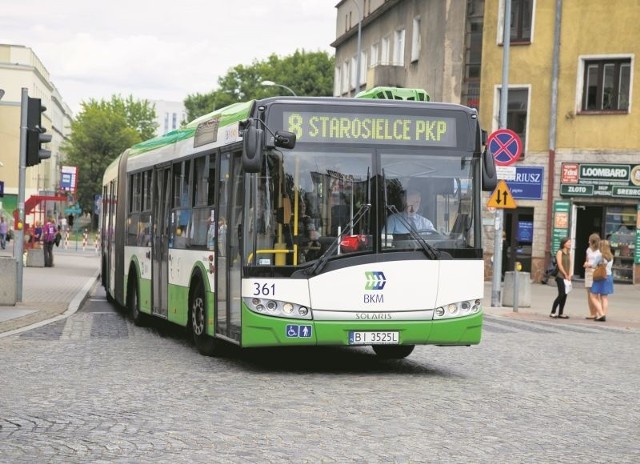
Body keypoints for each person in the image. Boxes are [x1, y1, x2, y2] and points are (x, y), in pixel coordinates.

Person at [591, 239, 614, 322]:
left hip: (600, 277)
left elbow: (593, 265)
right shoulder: (611, 256)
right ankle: (603, 314)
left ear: (601, 247)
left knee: (593, 296)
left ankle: (601, 314)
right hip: (609, 277)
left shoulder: (600, 256)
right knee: (604, 297)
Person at [550, 237, 572, 319]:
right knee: (561, 294)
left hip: (567, 276)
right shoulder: (560, 252)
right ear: (564, 243)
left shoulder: (569, 253)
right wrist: (565, 274)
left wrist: (569, 274)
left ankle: (561, 313)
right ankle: (552, 312)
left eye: (570, 242)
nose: (570, 244)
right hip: (560, 276)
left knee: (565, 294)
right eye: (568, 242)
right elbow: (559, 265)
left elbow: (570, 265)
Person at [583, 233, 601, 319]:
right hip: (588, 272)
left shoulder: (600, 251)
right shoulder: (588, 250)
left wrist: (590, 264)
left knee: (595, 293)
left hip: (596, 272)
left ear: (592, 241)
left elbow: (600, 264)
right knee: (589, 293)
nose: (588, 242)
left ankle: (596, 312)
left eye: (589, 240)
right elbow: (587, 260)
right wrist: (586, 264)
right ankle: (592, 313)